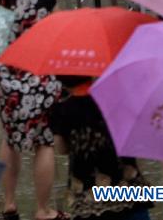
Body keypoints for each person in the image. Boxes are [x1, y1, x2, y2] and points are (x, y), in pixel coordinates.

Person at [0, 0, 63, 220]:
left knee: (9, 139)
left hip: (6, 80)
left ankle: (9, 203)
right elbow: (60, 32)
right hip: (40, 78)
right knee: (44, 142)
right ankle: (43, 209)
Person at [50, 76, 151, 220]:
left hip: (88, 194)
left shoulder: (62, 108)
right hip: (127, 187)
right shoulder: (115, 96)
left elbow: (61, 149)